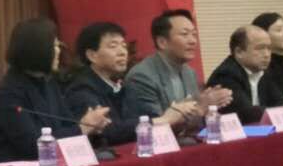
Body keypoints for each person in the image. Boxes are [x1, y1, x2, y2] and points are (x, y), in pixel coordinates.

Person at [0, 18, 111, 165]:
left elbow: (67, 124)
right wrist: (83, 127)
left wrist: (91, 127)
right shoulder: (8, 93)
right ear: (36, 49)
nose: (58, 51)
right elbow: (32, 146)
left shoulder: (49, 83)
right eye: (54, 46)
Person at [66, 21, 194, 144]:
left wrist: (177, 114)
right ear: (92, 55)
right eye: (113, 46)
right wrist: (164, 120)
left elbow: (146, 116)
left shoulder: (122, 85)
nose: (122, 52)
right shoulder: (81, 89)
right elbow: (108, 130)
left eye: (123, 46)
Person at [124, 8, 232, 129]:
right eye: (184, 34)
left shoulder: (189, 73)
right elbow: (154, 126)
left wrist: (208, 105)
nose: (193, 41)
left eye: (194, 34)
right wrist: (201, 108)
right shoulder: (141, 76)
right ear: (162, 42)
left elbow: (195, 122)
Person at [205, 25, 283, 124]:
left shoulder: (264, 72)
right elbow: (247, 113)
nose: (267, 54)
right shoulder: (226, 74)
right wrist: (281, 111)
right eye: (260, 48)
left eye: (269, 48)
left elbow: (280, 103)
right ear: (239, 52)